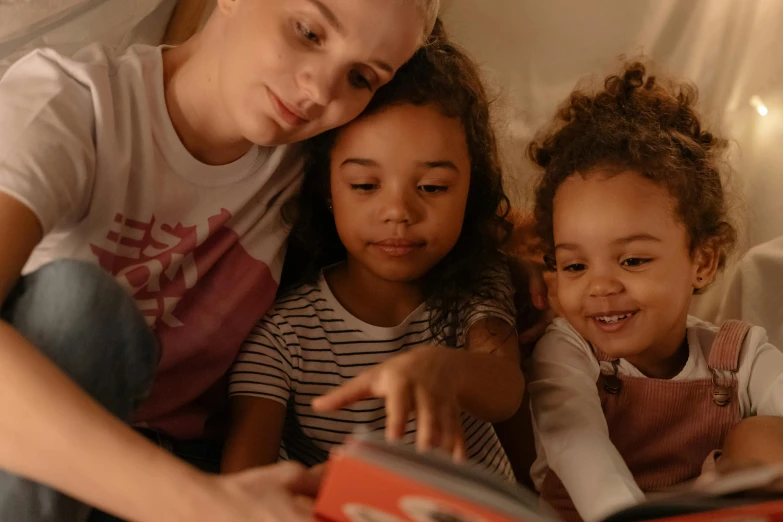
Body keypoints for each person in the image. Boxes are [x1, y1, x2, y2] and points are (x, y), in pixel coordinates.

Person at [0, 0, 441, 520]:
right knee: (83, 306)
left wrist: (516, 266)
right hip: (59, 460)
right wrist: (196, 503)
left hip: (196, 460)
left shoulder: (321, 164)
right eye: (308, 31)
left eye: (362, 77)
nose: (321, 92)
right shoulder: (69, 103)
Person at [222, 28, 524, 481]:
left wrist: (446, 370)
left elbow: (506, 389)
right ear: (327, 189)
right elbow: (242, 485)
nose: (399, 213)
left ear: (470, 190)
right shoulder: (286, 336)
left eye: (433, 188)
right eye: (365, 186)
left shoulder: (475, 282)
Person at [525, 61, 783, 522]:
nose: (600, 286)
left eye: (633, 260)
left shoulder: (740, 357)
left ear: (701, 261)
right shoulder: (567, 350)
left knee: (768, 437)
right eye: (575, 265)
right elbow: (577, 445)